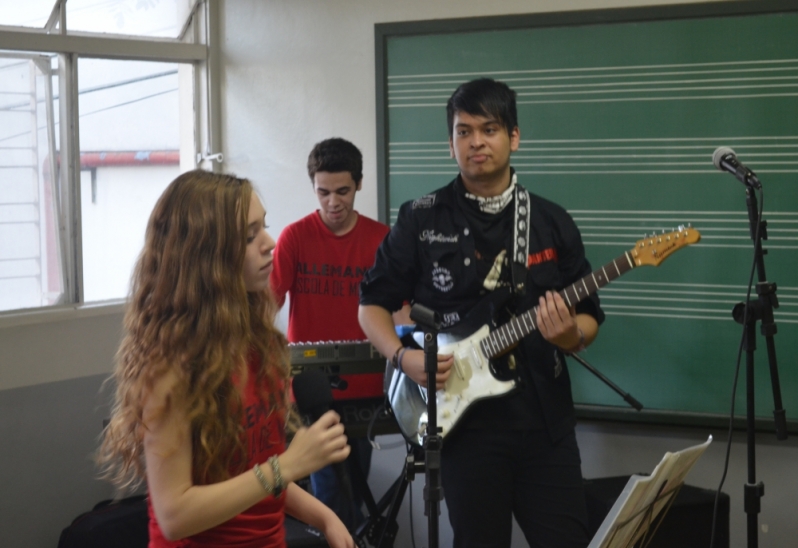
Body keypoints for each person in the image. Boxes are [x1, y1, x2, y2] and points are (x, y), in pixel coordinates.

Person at [358, 78, 605, 548]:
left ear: (513, 137)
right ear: (450, 145)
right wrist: (401, 357)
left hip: (544, 424)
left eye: (489, 129)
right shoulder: (420, 218)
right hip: (462, 429)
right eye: (463, 131)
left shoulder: (551, 221)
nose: (476, 142)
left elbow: (589, 315)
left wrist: (570, 336)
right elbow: (371, 306)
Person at [98, 170, 355, 548]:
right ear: (208, 255)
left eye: (264, 227)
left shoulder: (259, 344)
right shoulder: (171, 368)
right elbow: (174, 516)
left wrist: (324, 516)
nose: (269, 242)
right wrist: (287, 466)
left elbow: (250, 475)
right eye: (249, 236)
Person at [270, 137, 403, 529]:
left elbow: (403, 310)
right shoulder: (295, 237)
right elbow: (263, 308)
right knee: (330, 493)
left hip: (368, 390)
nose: (333, 202)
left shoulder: (382, 240)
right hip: (310, 392)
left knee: (354, 490)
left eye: (342, 191)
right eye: (323, 192)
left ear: (359, 184)